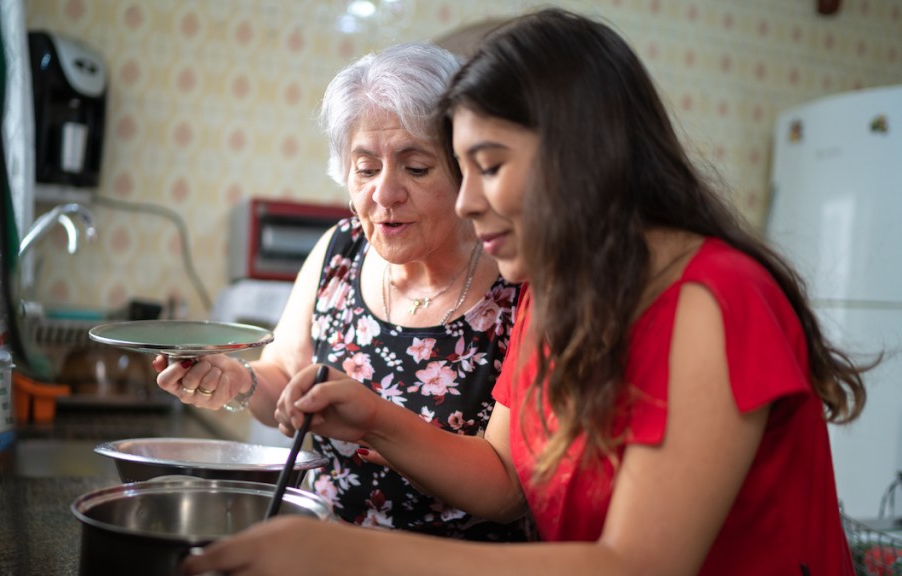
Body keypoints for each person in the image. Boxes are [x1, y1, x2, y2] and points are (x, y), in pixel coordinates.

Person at [180, 7, 871, 576]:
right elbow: (507, 479)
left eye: (487, 165)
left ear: (579, 154)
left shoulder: (715, 300)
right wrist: (369, 421)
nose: (467, 200)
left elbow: (638, 565)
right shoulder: (558, 291)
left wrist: (349, 555)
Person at [155, 42, 531, 541]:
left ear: (464, 168)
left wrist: (377, 422)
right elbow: (288, 381)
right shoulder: (338, 251)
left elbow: (506, 492)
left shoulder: (517, 280)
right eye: (366, 168)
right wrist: (238, 380)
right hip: (327, 552)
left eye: (416, 168)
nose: (385, 193)